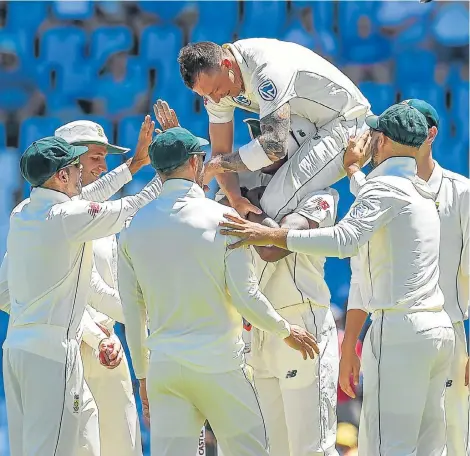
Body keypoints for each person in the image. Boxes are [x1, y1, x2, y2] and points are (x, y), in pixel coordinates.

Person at [218, 103, 456, 456]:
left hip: (394, 328)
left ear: (384, 141)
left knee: (384, 447)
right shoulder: (417, 189)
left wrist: (268, 233)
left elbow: (345, 239)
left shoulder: (379, 190)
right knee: (430, 446)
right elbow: (374, 198)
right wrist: (354, 169)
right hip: (434, 328)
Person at [118, 127, 319, 456]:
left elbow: (132, 312)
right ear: (196, 163)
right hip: (220, 364)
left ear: (158, 170)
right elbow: (245, 296)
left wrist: (143, 377)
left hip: (165, 369)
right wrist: (286, 329)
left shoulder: (133, 228)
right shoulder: (222, 217)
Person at [2, 136, 160, 456]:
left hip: (18, 350)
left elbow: (85, 197)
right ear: (61, 176)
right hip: (52, 353)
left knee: (84, 438)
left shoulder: (22, 213)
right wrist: (170, 178)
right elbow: (129, 208)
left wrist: (130, 169)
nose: (80, 174)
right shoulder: (66, 218)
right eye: (76, 167)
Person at [348, 99, 469, 456]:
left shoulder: (461, 192)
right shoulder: (380, 187)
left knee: (451, 440)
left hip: (449, 335)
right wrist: (350, 344)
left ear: (430, 134)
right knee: (378, 441)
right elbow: (362, 273)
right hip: (393, 332)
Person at [177, 39, 371, 221]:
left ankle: (320, 203)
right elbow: (220, 153)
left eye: (215, 90)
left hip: (347, 123)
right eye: (206, 95)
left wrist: (215, 165)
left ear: (227, 64)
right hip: (303, 122)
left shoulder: (267, 70)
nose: (216, 100)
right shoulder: (217, 86)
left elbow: (274, 146)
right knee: (226, 199)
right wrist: (236, 198)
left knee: (273, 204)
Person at [55, 118, 157, 456]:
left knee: (123, 447)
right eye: (96, 157)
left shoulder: (85, 210)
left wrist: (137, 166)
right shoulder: (46, 216)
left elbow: (100, 201)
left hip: (107, 345)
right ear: (70, 162)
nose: (103, 166)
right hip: (67, 347)